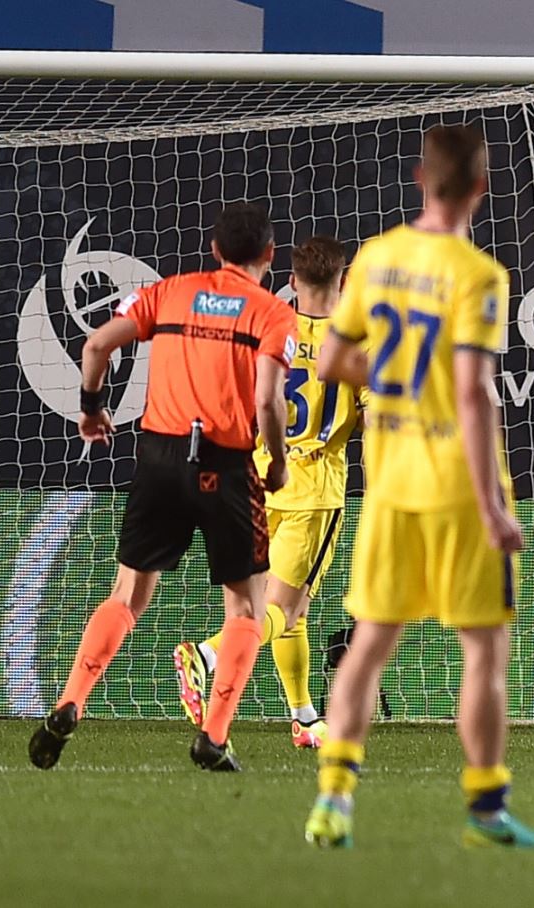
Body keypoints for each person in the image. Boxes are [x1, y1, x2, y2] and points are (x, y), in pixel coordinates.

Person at [303, 125, 534, 851]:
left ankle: (333, 799)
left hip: (390, 486)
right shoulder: (478, 274)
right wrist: (491, 507)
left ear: (421, 178)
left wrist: (396, 382)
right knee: (483, 653)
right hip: (455, 489)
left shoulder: (376, 256)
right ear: (480, 188)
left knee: (368, 645)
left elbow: (331, 362)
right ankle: (486, 811)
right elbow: (473, 393)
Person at [28, 203, 296, 772]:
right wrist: (277, 460)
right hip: (226, 464)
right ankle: (213, 736)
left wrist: (92, 408)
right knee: (246, 607)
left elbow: (96, 345)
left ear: (214, 249)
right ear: (270, 256)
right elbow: (268, 399)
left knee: (127, 594)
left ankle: (71, 700)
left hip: (159, 456)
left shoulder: (170, 292)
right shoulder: (272, 313)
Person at [174, 236, 361, 749]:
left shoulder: (271, 326)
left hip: (256, 480)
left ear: (293, 281)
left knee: (287, 610)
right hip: (313, 490)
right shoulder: (358, 342)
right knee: (283, 609)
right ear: (343, 282)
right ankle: (205, 656)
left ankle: (303, 717)